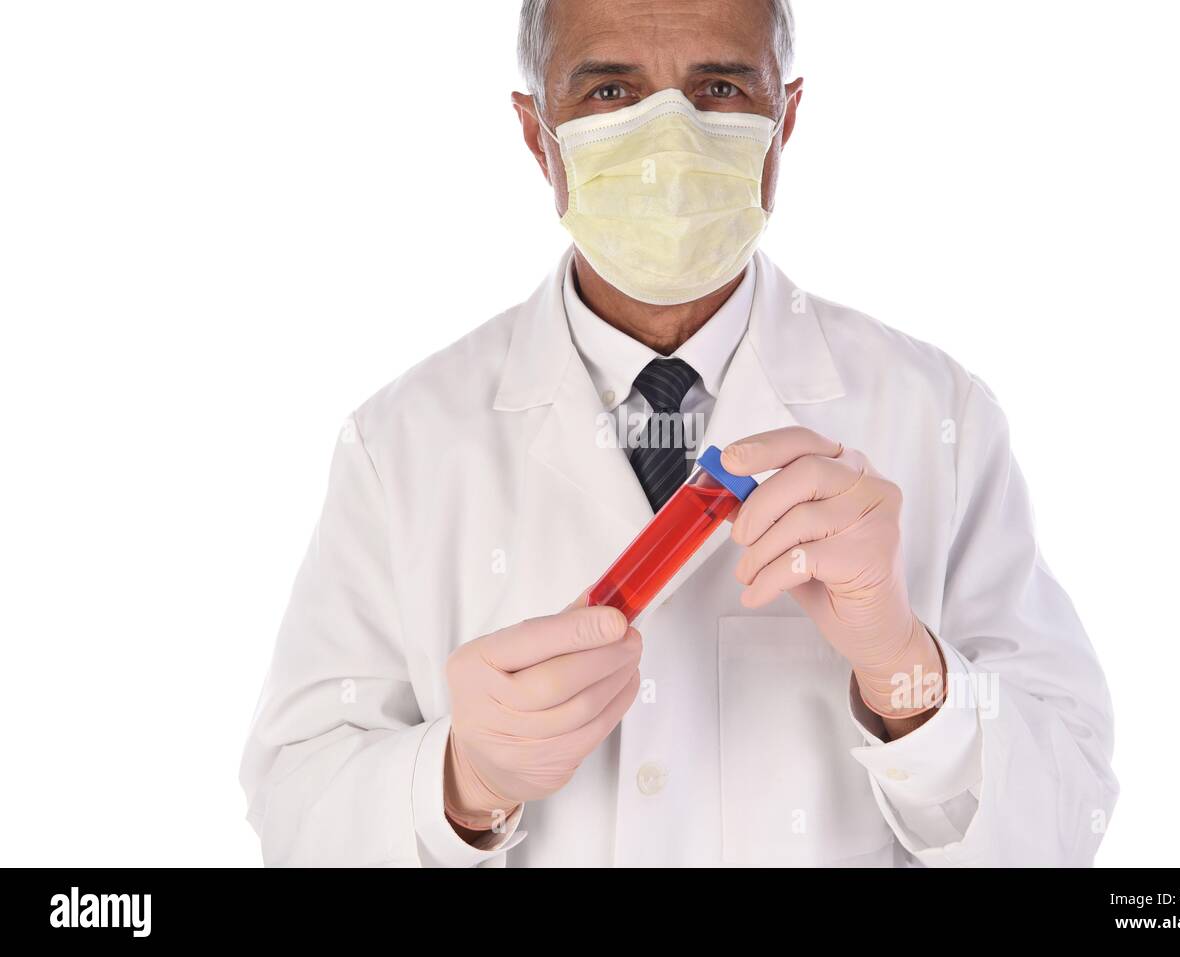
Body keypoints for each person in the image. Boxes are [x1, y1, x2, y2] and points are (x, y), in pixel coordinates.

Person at [240, 0, 1117, 867]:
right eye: (611, 92)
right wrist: (461, 782)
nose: (669, 142)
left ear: (785, 122)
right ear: (538, 134)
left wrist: (906, 674)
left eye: (721, 87)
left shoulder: (937, 414)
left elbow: (1065, 815)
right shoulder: (401, 443)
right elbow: (295, 806)